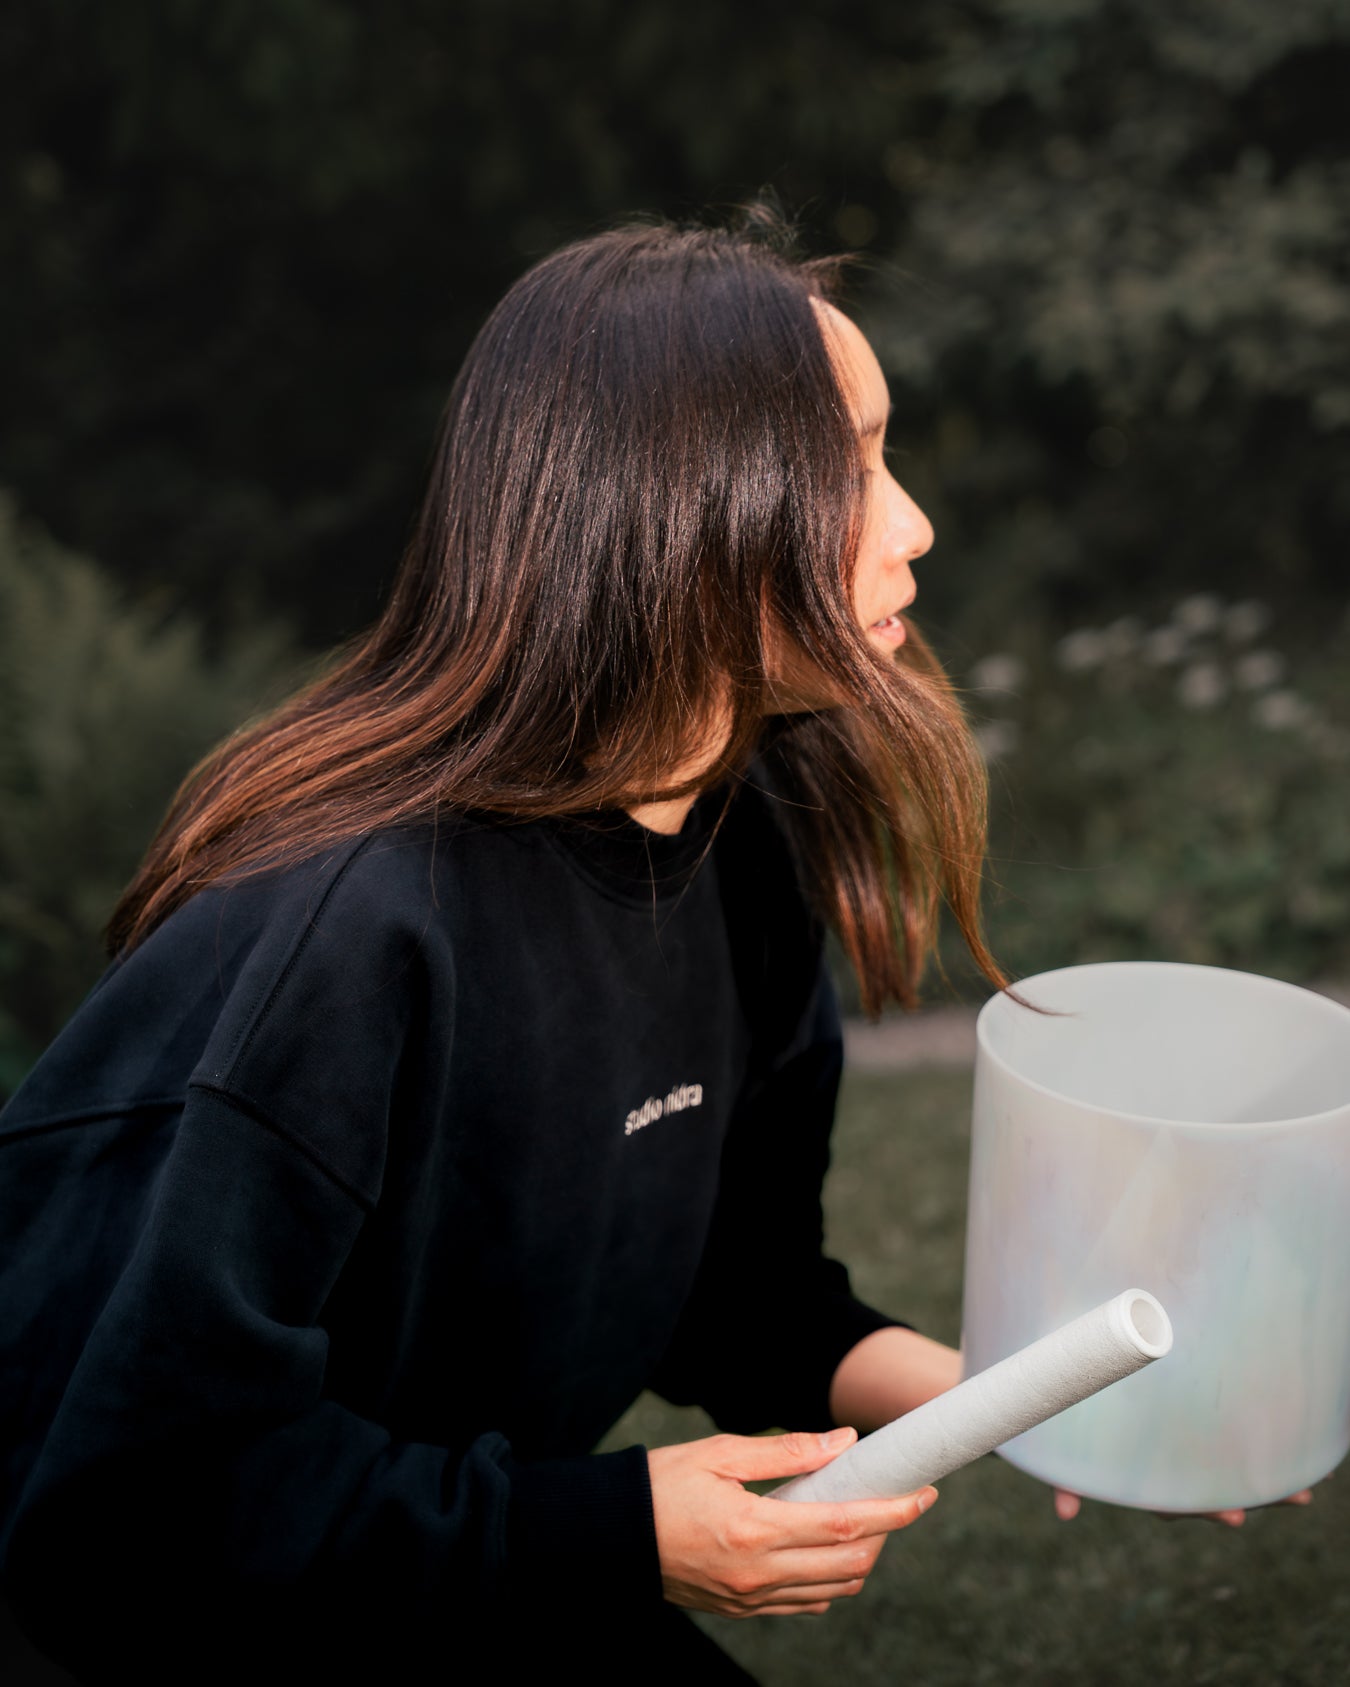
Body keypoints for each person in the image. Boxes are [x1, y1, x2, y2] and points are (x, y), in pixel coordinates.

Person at [0, 206, 1006, 1685]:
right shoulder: (342, 929)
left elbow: (735, 1290)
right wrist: (605, 1533)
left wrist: (1024, 1399)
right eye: (848, 462)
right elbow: (132, 1508)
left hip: (459, 1574)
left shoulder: (748, 848)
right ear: (676, 501)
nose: (910, 521)